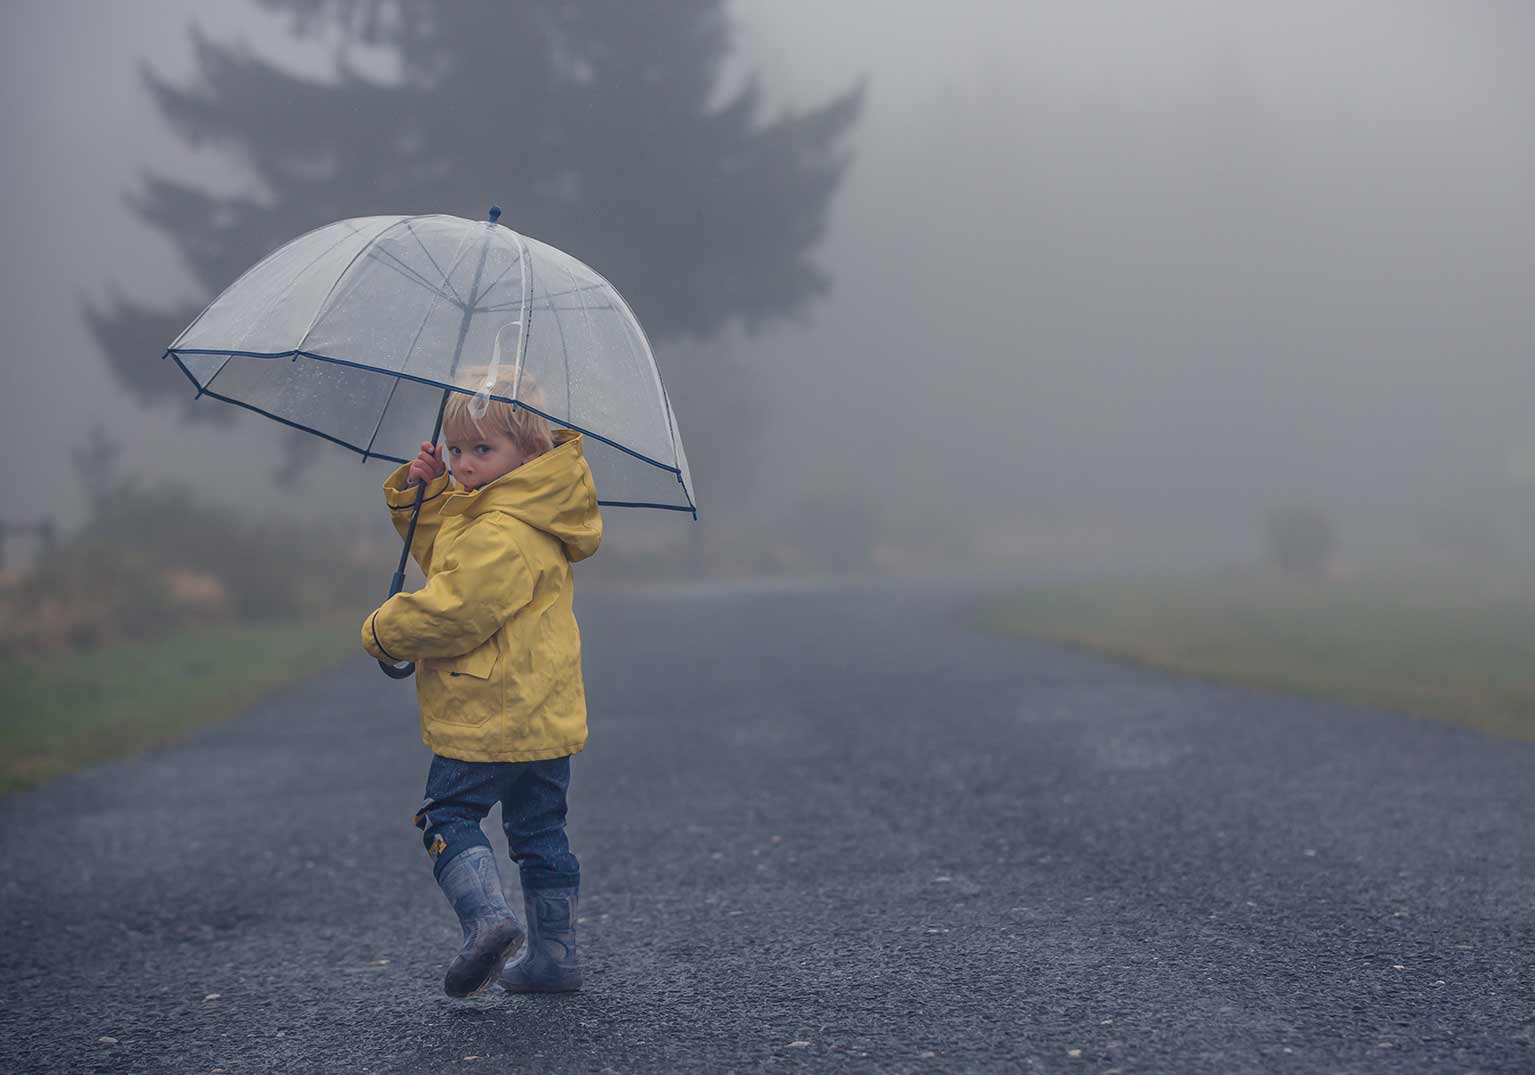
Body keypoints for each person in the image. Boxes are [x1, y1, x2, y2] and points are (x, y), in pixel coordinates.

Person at [361, 366, 602, 998]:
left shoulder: (501, 530)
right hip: (542, 717)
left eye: (481, 450)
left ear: (530, 451)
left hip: (486, 711)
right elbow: (450, 552)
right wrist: (426, 495)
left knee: (449, 813)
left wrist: (387, 629)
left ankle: (487, 921)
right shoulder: (521, 512)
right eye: (458, 449)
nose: (463, 463)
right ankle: (555, 956)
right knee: (540, 832)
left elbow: (460, 606)